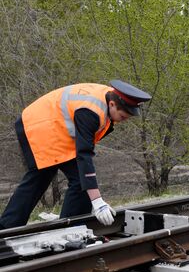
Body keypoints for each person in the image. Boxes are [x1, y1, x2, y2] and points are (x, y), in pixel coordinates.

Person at [0, 80, 152, 229]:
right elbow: (84, 154)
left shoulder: (110, 98)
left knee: (73, 179)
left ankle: (13, 227)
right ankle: (65, 229)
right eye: (123, 117)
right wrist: (97, 201)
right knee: (57, 178)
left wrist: (91, 201)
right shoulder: (90, 112)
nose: (123, 121)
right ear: (112, 104)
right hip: (39, 127)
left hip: (52, 128)